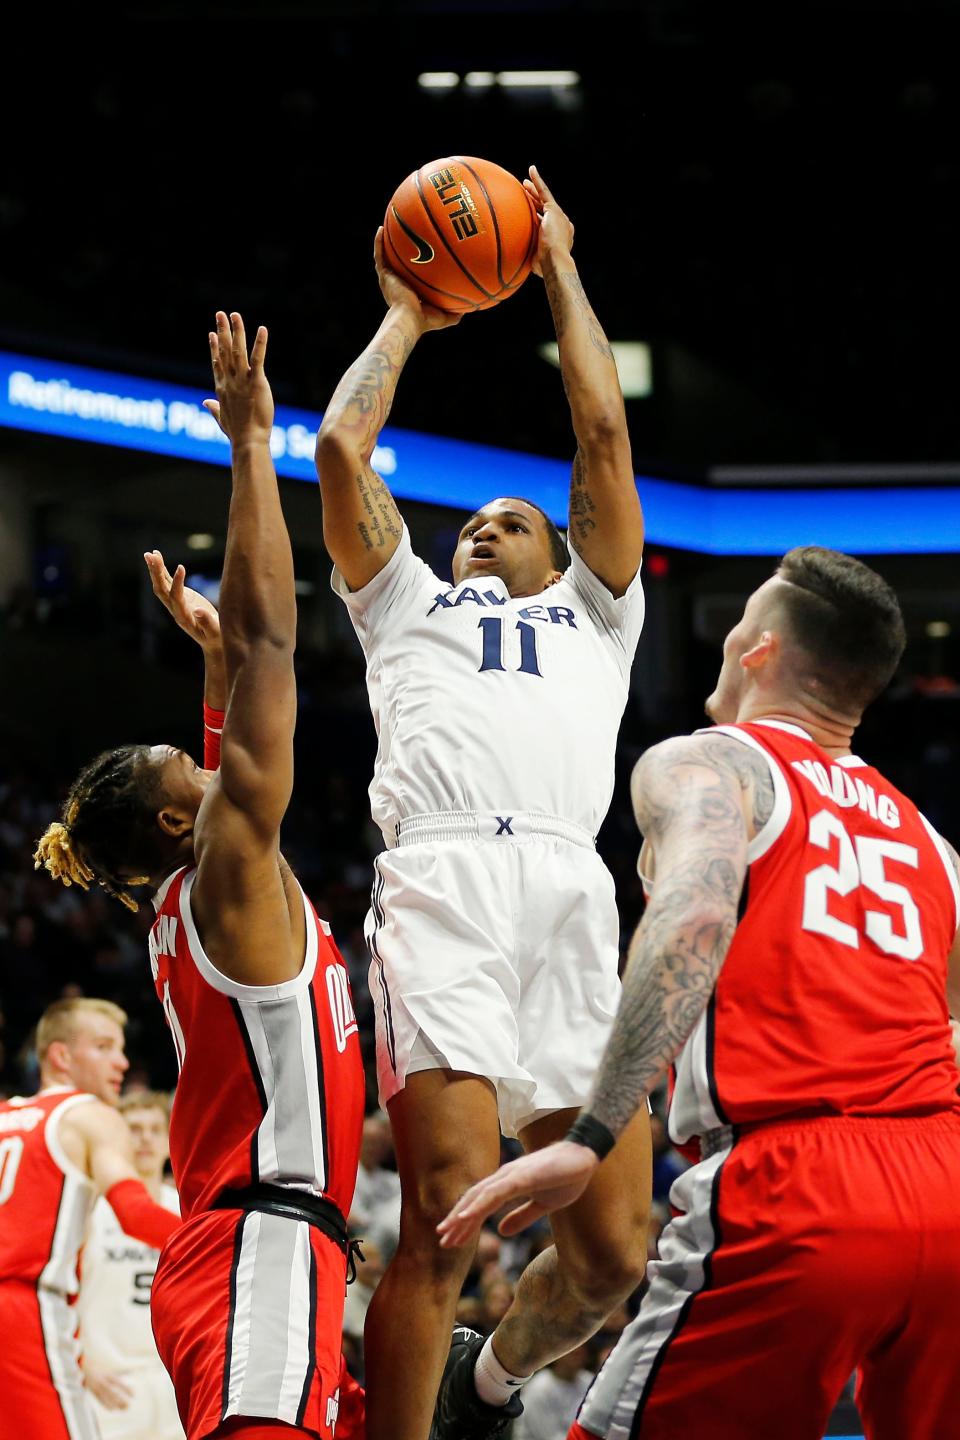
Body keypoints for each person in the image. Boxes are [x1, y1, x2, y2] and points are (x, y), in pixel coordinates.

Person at [439, 546, 960, 1440]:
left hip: (800, 1187)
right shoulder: (933, 844)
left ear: (756, 648)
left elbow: (690, 913)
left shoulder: (713, 765)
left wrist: (594, 1135)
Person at [315, 166, 650, 1440]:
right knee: (448, 1202)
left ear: (563, 554)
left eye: (515, 520)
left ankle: (488, 1383)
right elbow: (344, 449)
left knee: (615, 1248)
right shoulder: (403, 600)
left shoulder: (595, 614)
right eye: (472, 522)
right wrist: (411, 311)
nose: (485, 527)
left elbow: (601, 438)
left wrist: (555, 261)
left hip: (571, 886)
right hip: (445, 882)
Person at [35, 313, 366, 1440]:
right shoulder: (228, 870)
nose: (208, 756)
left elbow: (233, 728)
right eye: (192, 762)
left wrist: (215, 667)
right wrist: (250, 445)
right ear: (185, 817)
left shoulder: (208, 881)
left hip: (253, 1240)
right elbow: (278, 642)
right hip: (258, 1243)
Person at [0, 997, 180, 1440]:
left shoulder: (4, 1116)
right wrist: (230, 1241)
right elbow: (135, 1215)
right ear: (61, 1056)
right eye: (103, 1047)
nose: (121, 1062)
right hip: (25, 1309)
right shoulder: (91, 1116)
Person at [79, 1091, 184, 1440]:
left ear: (170, 1141)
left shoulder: (187, 1213)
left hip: (172, 1384)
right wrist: (81, 1362)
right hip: (108, 1384)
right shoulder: (90, 1210)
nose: (145, 1139)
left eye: (155, 1129)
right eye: (134, 1129)